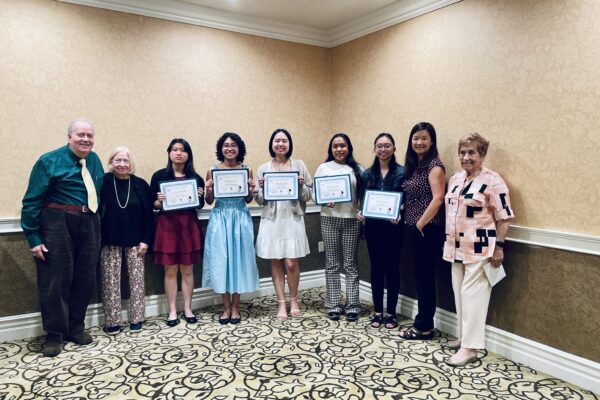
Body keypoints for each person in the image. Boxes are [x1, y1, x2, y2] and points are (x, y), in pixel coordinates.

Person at [21, 119, 104, 357]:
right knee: (55, 279)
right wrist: (34, 237)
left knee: (85, 277)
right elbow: (31, 201)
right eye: (80, 134)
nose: (86, 139)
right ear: (69, 137)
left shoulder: (95, 160)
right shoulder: (48, 160)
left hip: (90, 222)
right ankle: (55, 334)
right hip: (57, 221)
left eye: (89, 135)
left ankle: (76, 327)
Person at [443, 132, 514, 366]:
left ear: (482, 155)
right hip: (455, 247)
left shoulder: (493, 181)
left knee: (473, 297)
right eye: (462, 152)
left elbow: (504, 218)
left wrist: (499, 248)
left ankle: (470, 348)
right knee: (459, 294)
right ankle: (463, 337)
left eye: (471, 152)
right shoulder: (455, 179)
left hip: (481, 248)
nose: (466, 157)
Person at [255, 128, 312, 320]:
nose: (281, 144)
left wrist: (302, 185)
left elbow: (308, 195)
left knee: (292, 262)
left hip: (292, 218)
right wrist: (261, 189)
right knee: (276, 261)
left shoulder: (299, 165)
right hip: (272, 220)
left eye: (284, 141)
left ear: (289, 144)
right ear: (272, 144)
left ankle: (294, 299)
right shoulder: (263, 168)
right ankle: (281, 303)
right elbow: (260, 200)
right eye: (277, 140)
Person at [202, 132, 259, 325]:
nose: (229, 148)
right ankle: (225, 308)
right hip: (220, 218)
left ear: (239, 148)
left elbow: (249, 199)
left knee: (239, 261)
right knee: (221, 262)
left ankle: (236, 307)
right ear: (221, 149)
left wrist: (251, 190)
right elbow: (209, 201)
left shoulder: (246, 169)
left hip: (240, 217)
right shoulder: (212, 171)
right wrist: (208, 190)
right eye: (226, 145)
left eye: (233, 145)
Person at [398, 122, 445, 340]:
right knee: (420, 276)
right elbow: (410, 197)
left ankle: (425, 327)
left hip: (427, 230)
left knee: (425, 278)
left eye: (424, 138)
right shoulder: (414, 167)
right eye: (415, 138)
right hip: (413, 229)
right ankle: (422, 321)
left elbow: (438, 199)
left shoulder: (434, 166)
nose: (419, 142)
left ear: (432, 141)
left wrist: (419, 224)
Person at [150, 138, 205, 327]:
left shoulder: (195, 178)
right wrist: (159, 200)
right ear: (169, 153)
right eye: (174, 149)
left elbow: (200, 205)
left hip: (188, 226)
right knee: (170, 269)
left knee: (188, 269)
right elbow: (154, 205)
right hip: (167, 227)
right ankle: (172, 310)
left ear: (188, 154)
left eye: (182, 150)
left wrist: (199, 196)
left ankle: (188, 308)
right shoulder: (159, 176)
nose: (178, 153)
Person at [100, 146, 154, 335]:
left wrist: (146, 240)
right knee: (110, 282)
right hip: (109, 240)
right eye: (118, 160)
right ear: (111, 163)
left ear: (131, 164)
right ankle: (112, 320)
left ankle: (137, 317)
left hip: (136, 241)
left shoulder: (140, 184)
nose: (122, 164)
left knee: (137, 281)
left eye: (126, 160)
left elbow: (149, 216)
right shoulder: (104, 182)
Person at [314, 133, 363, 322]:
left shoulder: (357, 169)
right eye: (335, 146)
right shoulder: (323, 168)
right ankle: (333, 305)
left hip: (351, 219)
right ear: (330, 149)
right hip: (329, 218)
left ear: (348, 147)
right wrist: (324, 200)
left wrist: (361, 211)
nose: (339, 149)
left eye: (343, 145)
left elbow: (363, 195)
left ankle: (352, 305)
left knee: (350, 264)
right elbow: (314, 194)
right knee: (332, 263)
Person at [358, 133, 405, 330]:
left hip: (394, 228)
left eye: (387, 145)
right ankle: (378, 311)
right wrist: (362, 213)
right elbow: (363, 199)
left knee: (392, 269)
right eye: (379, 145)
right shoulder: (368, 174)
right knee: (376, 268)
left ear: (394, 148)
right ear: (374, 149)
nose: (383, 149)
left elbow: (406, 200)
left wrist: (400, 213)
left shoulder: (403, 172)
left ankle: (391, 312)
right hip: (374, 228)